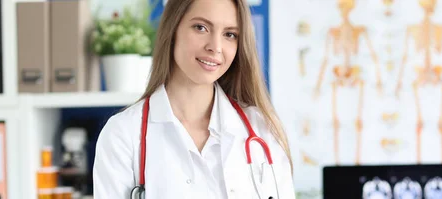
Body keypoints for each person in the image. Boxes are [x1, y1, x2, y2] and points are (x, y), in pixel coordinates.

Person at [92, 0, 296, 198]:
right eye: (201, 27)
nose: (215, 47)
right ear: (173, 29)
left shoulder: (263, 130)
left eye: (229, 34)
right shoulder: (122, 134)